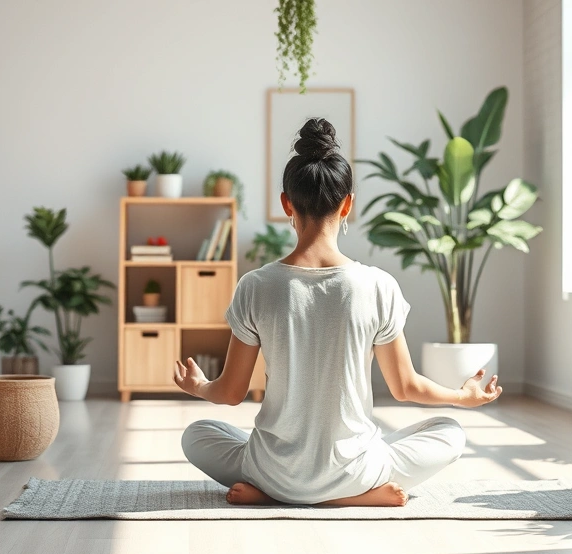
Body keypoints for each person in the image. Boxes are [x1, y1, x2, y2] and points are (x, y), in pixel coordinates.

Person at [174, 118, 502, 507]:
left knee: (196, 434)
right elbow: (405, 387)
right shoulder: (379, 286)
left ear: (286, 203)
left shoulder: (255, 286)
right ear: (348, 204)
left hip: (273, 471)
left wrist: (198, 387)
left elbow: (230, 393)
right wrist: (462, 397)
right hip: (357, 471)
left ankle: (276, 493)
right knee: (450, 432)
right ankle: (348, 497)